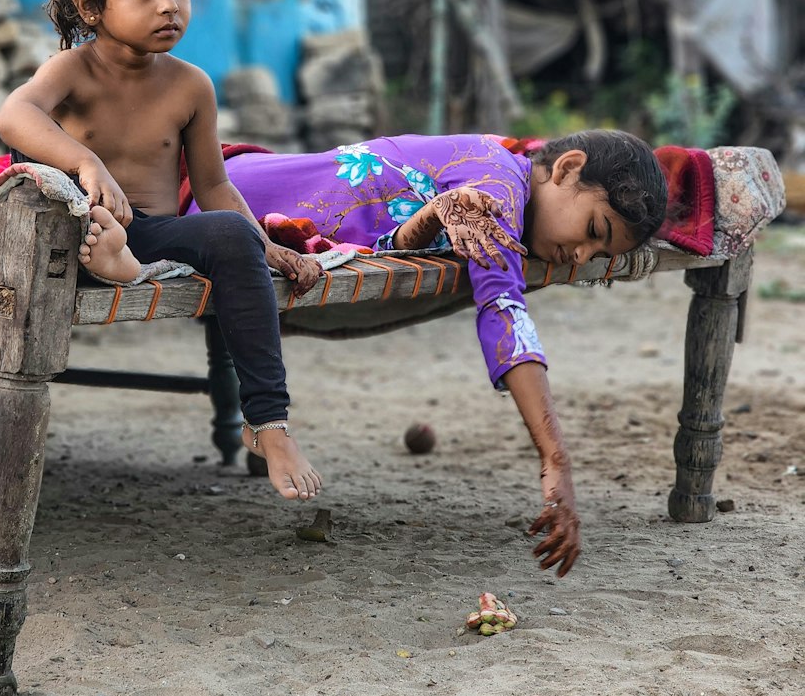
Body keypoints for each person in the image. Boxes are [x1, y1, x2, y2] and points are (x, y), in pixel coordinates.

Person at [188, 129, 668, 577]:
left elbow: (400, 233)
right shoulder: (497, 187)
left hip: (239, 189)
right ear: (566, 169)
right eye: (592, 229)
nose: (582, 256)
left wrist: (427, 220)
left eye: (600, 256)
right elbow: (503, 309)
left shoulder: (498, 175)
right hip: (223, 204)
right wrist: (556, 461)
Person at [0, 0, 344, 503]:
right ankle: (112, 261)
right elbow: (13, 114)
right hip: (81, 228)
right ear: (89, 7)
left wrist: (270, 250)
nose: (169, 4)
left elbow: (213, 189)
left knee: (229, 236)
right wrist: (85, 162)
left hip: (149, 232)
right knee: (59, 207)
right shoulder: (70, 70)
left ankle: (269, 423)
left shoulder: (190, 85)